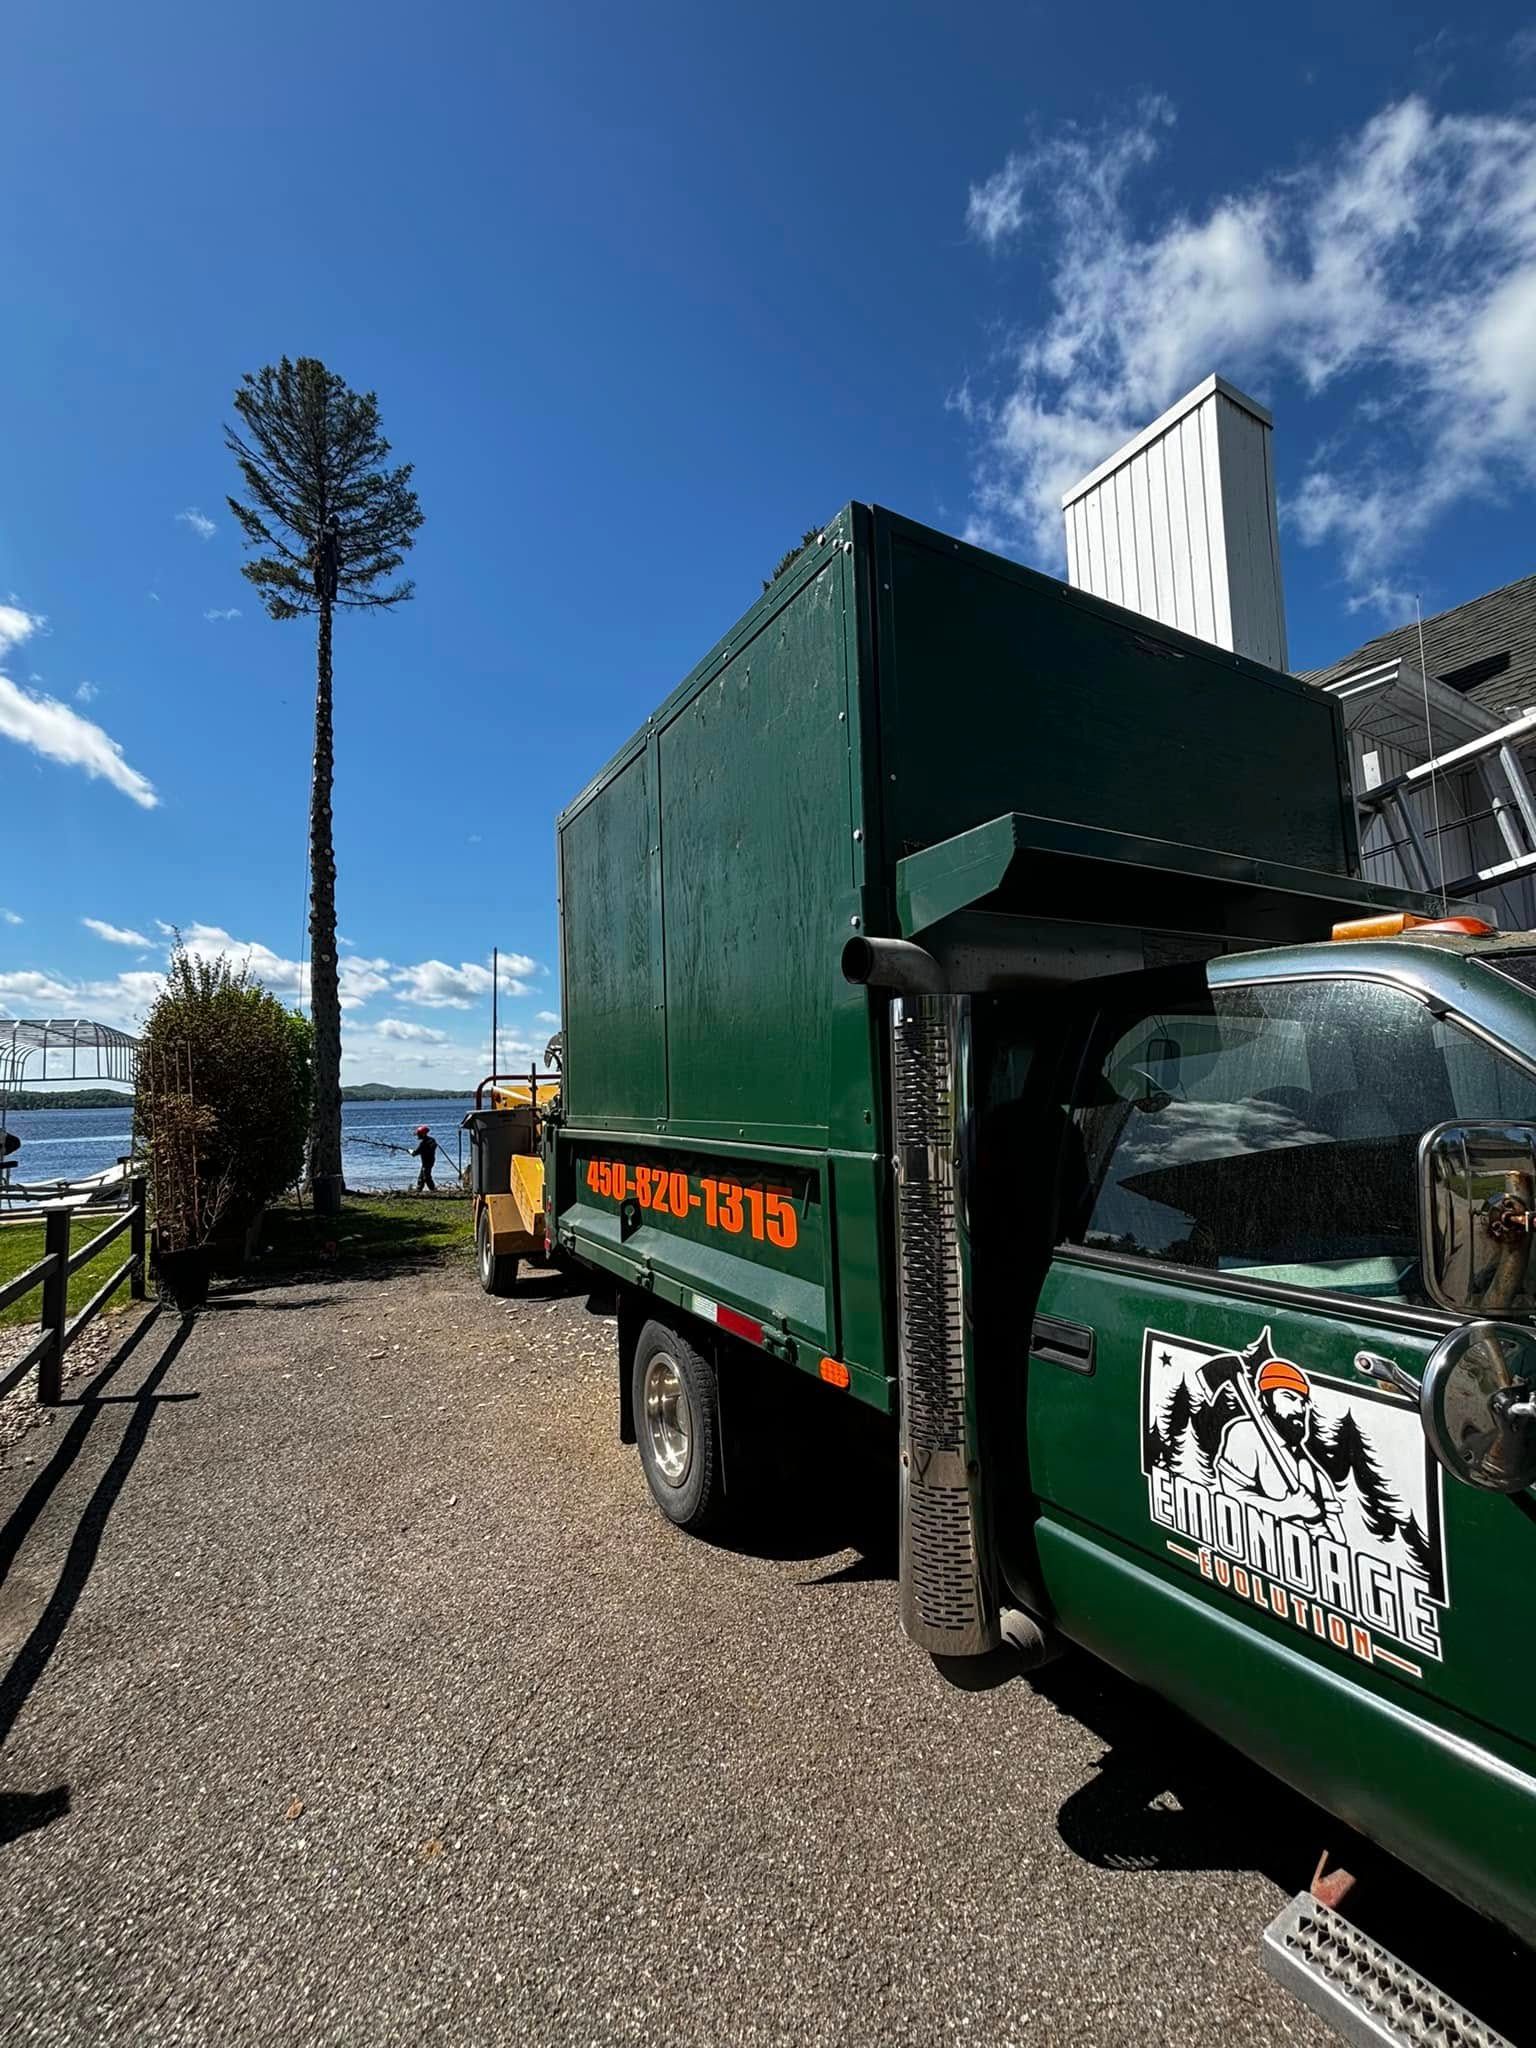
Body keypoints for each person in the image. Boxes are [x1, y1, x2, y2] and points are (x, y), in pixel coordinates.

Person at [1216, 1357, 1342, 1538]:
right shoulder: (1245, 1433)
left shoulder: (1312, 1471)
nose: (1299, 1409)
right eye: (1289, 1397)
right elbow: (1232, 1499)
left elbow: (1337, 1531)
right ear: (1265, 1400)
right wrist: (1286, 1508)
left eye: (1303, 1402)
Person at [409, 1124, 438, 1192]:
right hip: (429, 1161)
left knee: (426, 1176)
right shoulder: (431, 1140)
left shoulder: (424, 1143)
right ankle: (419, 1189)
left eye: (419, 1134)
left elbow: (415, 1153)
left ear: (423, 1134)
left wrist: (411, 1152)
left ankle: (432, 1189)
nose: (418, 1136)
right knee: (421, 1176)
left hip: (428, 1162)